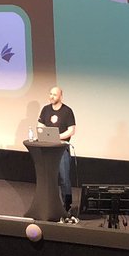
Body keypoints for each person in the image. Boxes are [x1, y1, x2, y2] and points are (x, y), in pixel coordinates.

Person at [37, 86, 77, 218]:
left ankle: (67, 206)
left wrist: (57, 137)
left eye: (54, 94)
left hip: (61, 149)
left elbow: (71, 130)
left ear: (60, 96)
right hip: (47, 149)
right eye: (50, 94)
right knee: (49, 178)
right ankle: (49, 205)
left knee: (64, 179)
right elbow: (40, 125)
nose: (52, 96)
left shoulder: (67, 111)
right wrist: (44, 133)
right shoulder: (45, 109)